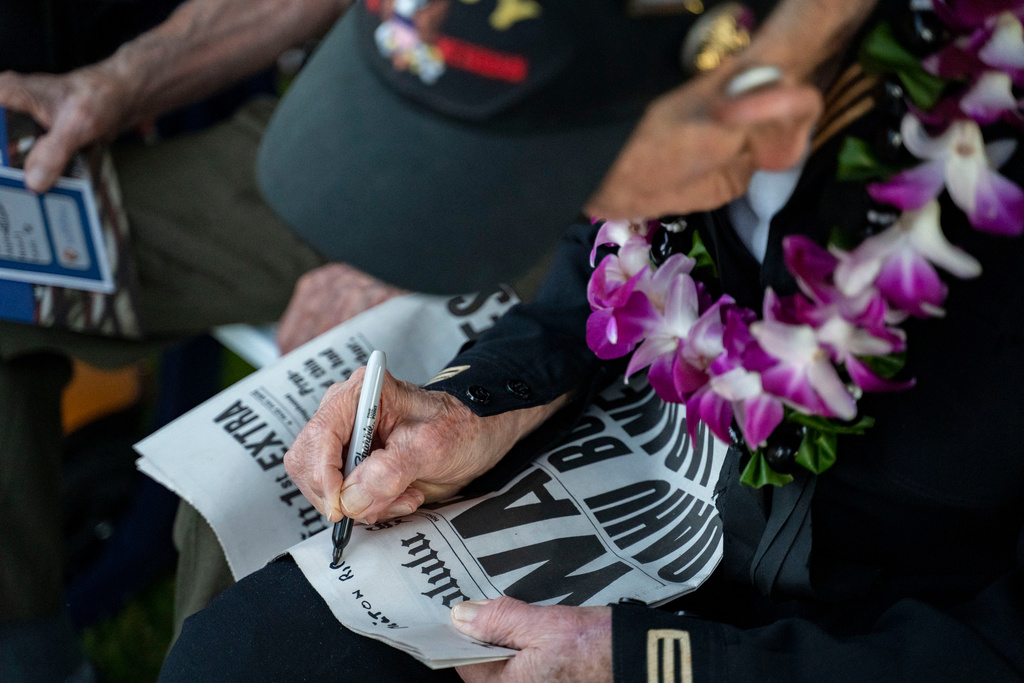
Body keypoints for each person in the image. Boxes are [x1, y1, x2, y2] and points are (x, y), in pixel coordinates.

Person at [160, 0, 1024, 680]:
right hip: (645, 488)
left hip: (882, 633)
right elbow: (609, 261)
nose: (537, 206)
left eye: (544, 175)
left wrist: (672, 669)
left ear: (771, 119)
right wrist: (475, 404)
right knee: (247, 654)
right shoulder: (688, 108)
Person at [0, 0, 760, 680]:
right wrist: (116, 83)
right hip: (374, 122)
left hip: (534, 173)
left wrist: (407, 257)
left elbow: (589, 236)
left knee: (252, 548)